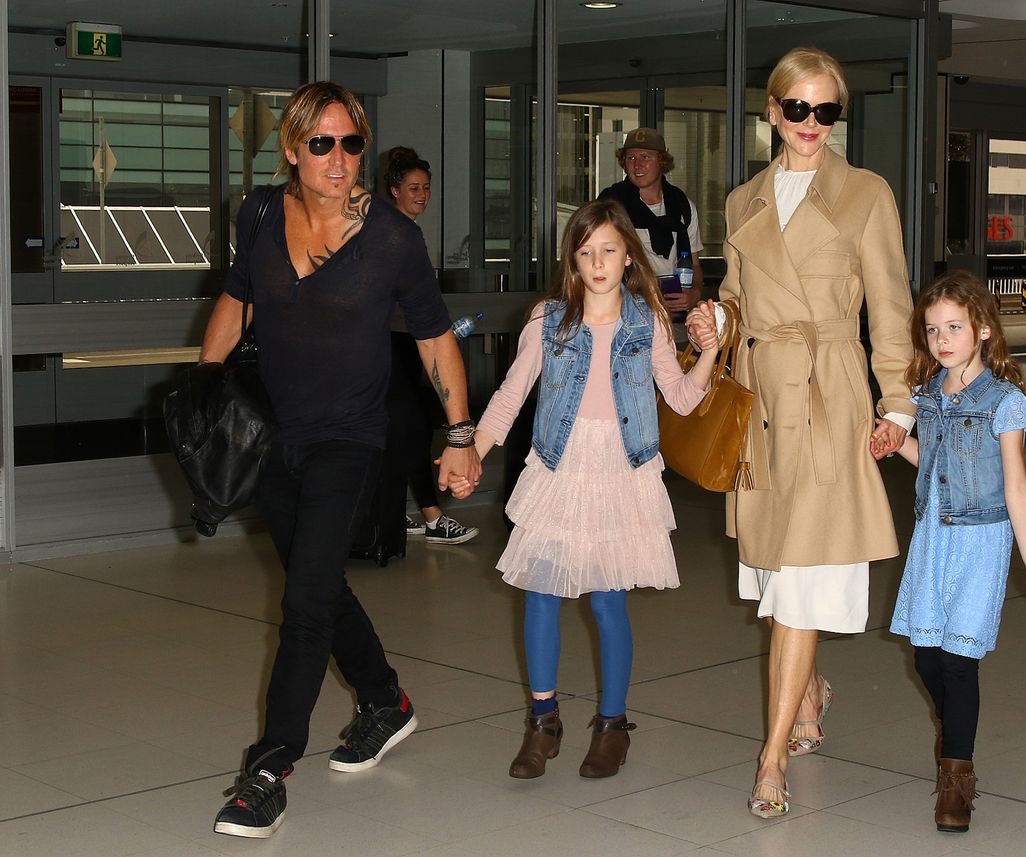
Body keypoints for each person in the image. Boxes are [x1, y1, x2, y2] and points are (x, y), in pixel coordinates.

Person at [201, 82, 482, 838]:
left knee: (303, 605)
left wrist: (460, 435)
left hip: (349, 436)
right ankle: (385, 699)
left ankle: (267, 767)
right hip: (272, 432)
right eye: (321, 143)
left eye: (351, 142)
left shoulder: (391, 237)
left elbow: (432, 336)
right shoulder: (260, 214)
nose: (338, 158)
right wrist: (206, 388)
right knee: (316, 585)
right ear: (292, 149)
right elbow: (237, 298)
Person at [452, 199, 719, 780]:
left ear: (628, 257)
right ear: (572, 262)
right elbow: (511, 394)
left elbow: (678, 397)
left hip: (623, 471)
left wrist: (712, 353)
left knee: (607, 599)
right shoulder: (548, 320)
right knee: (542, 593)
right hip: (560, 468)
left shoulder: (646, 320)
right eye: (586, 252)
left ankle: (612, 726)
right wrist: (473, 447)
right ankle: (543, 721)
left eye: (609, 250)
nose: (598, 263)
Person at [717, 46, 916, 819]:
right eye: (796, 108)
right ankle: (810, 689)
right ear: (772, 111)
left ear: (839, 117)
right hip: (765, 397)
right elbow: (735, 302)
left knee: (799, 578)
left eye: (825, 110)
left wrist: (896, 405)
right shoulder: (742, 202)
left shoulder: (866, 194)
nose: (810, 124)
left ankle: (770, 760)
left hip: (830, 391)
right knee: (778, 576)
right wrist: (715, 320)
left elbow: (891, 307)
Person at [880, 270, 1026, 833]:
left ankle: (956, 779)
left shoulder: (1003, 401)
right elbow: (935, 463)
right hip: (933, 538)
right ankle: (953, 725)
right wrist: (896, 443)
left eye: (954, 327)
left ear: (983, 329)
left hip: (982, 540)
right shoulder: (928, 395)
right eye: (933, 329)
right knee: (925, 657)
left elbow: (1016, 485)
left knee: (959, 663)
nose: (942, 339)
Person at [382, 145, 480, 545]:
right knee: (410, 428)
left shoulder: (408, 232)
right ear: (394, 190)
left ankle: (412, 512)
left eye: (426, 188)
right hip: (389, 344)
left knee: (411, 427)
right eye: (413, 188)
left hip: (409, 342)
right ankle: (429, 514)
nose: (421, 195)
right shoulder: (390, 232)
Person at [599, 127, 705, 322]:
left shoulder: (683, 206)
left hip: (672, 316)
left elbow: (694, 265)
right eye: (631, 158)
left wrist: (695, 294)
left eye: (645, 157)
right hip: (622, 315)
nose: (637, 165)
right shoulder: (611, 205)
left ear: (661, 161)